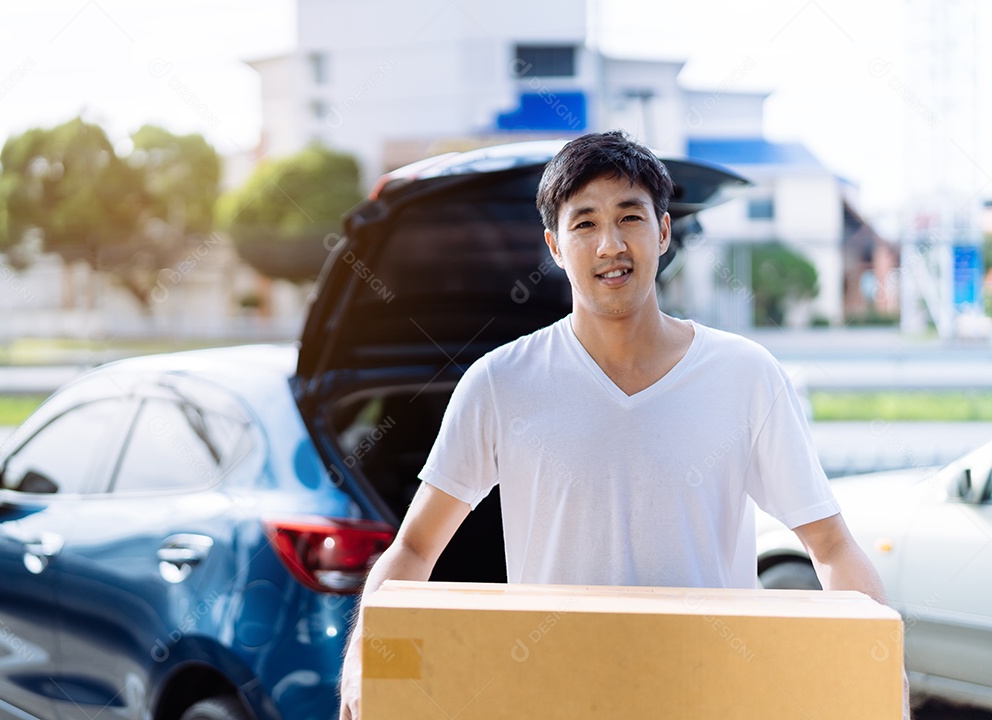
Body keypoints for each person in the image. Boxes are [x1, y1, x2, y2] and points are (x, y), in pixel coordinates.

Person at [338, 130, 908, 719]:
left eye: (629, 216)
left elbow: (832, 546)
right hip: (553, 699)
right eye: (583, 223)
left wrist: (882, 672)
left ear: (663, 232)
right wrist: (364, 661)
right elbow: (414, 547)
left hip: (713, 698)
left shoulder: (746, 375)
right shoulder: (499, 383)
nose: (610, 243)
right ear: (554, 246)